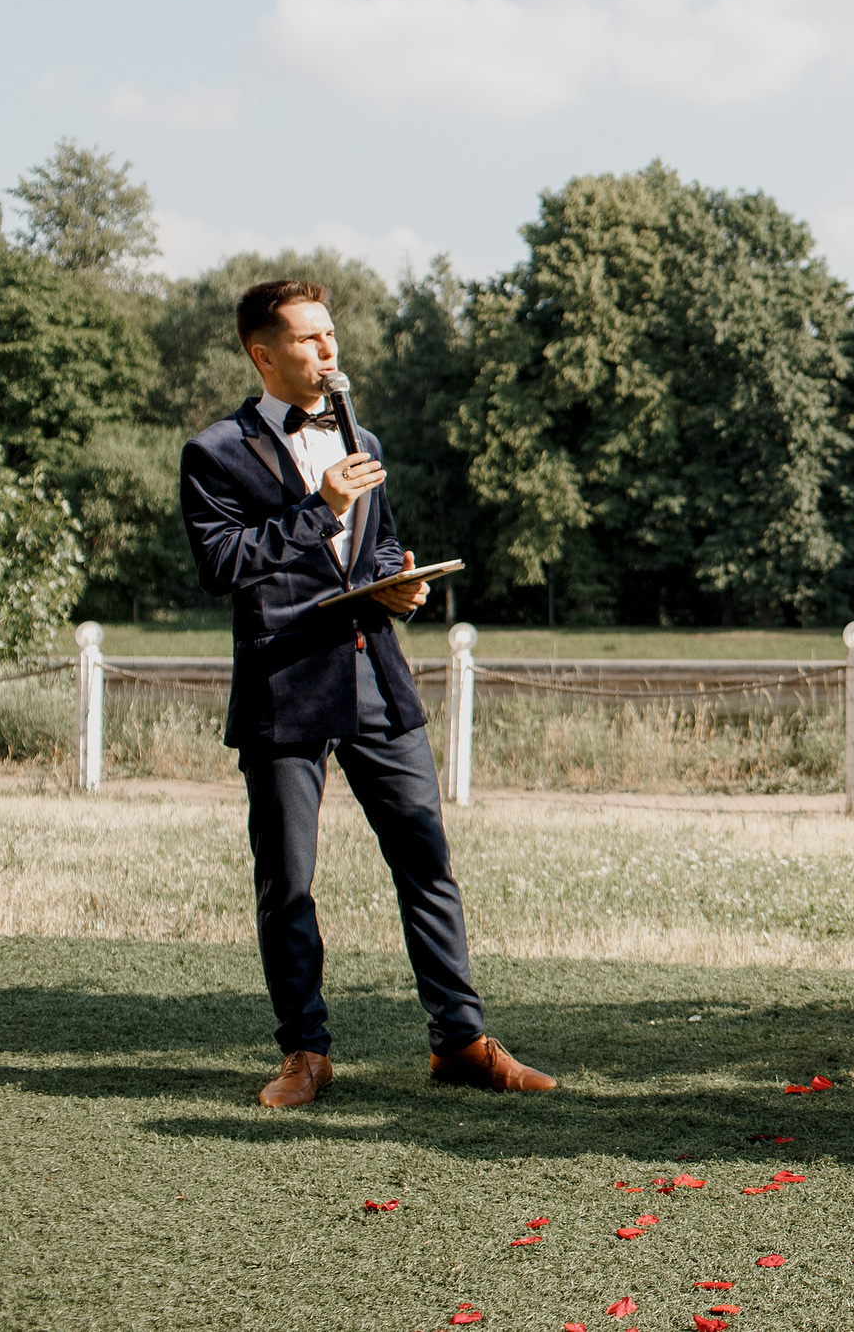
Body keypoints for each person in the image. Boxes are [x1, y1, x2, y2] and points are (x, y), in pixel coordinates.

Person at [179, 279, 552, 1108]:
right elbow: (223, 565)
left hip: (376, 673)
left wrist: (398, 585)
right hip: (286, 686)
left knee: (426, 860)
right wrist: (320, 509)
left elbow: (375, 549)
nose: (328, 352)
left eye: (332, 336)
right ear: (262, 352)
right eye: (310, 340)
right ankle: (305, 1053)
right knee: (289, 878)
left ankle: (459, 1040)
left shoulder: (362, 434)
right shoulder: (214, 452)